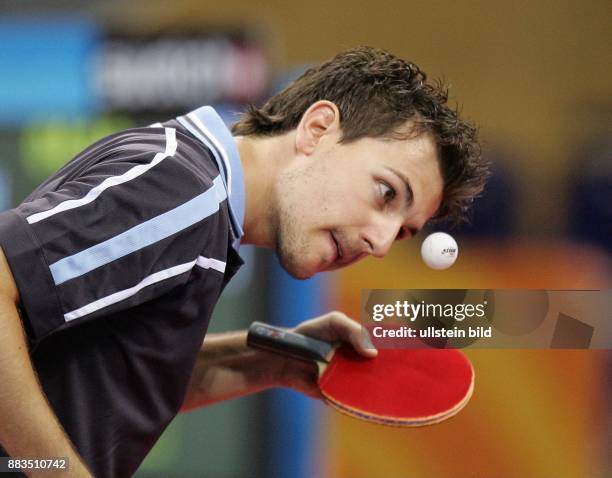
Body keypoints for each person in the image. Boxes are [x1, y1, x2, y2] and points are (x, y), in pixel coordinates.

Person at [0, 46, 487, 477]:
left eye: (402, 232)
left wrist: (268, 362)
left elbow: (96, 376)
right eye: (386, 193)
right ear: (318, 129)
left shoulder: (198, 203)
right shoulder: (186, 194)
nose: (380, 243)